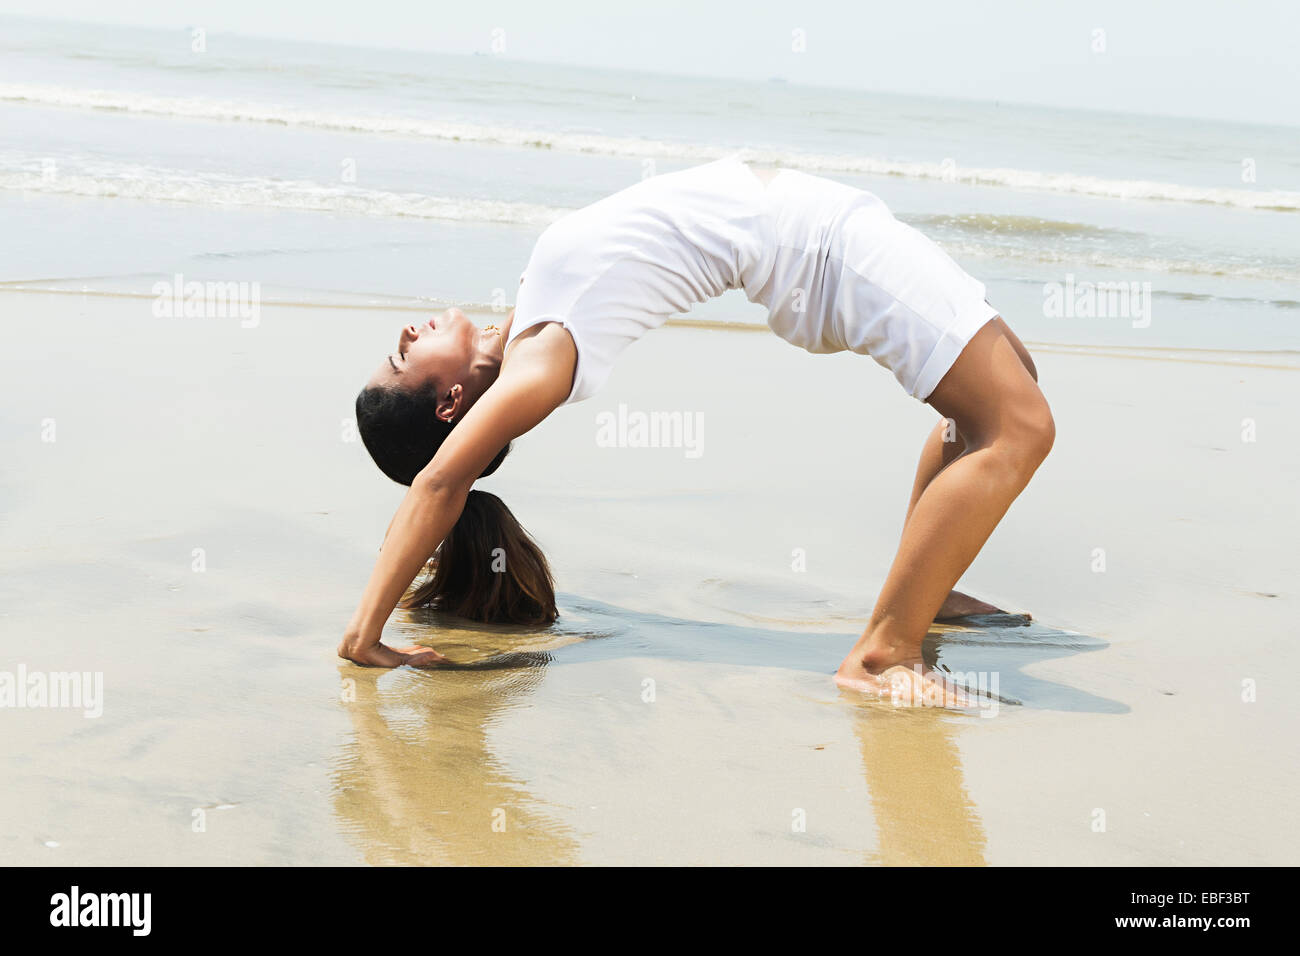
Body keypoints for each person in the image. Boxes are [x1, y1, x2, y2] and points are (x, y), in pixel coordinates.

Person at [338, 155, 1054, 702]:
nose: (405, 330)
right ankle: (883, 655)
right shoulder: (542, 360)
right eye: (403, 355)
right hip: (826, 254)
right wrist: (364, 636)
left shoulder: (525, 330)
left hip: (827, 236)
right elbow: (441, 480)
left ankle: (930, 596)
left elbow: (448, 473)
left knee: (1000, 395)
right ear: (448, 405)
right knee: (1021, 428)